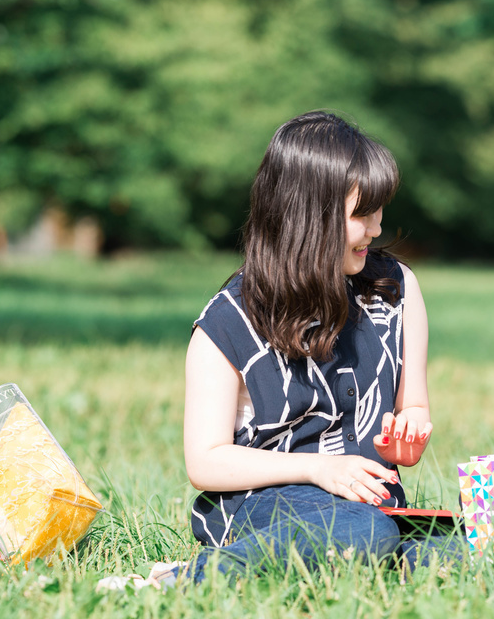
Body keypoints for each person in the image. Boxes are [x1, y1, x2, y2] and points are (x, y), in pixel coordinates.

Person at [180, 110, 450, 582]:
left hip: (371, 510)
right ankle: (188, 578)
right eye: (361, 215)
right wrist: (317, 468)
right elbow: (205, 461)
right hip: (260, 502)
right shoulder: (228, 323)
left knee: (464, 550)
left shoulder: (396, 289)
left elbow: (416, 403)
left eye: (379, 209)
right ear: (309, 217)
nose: (377, 229)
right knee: (362, 535)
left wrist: (410, 433)